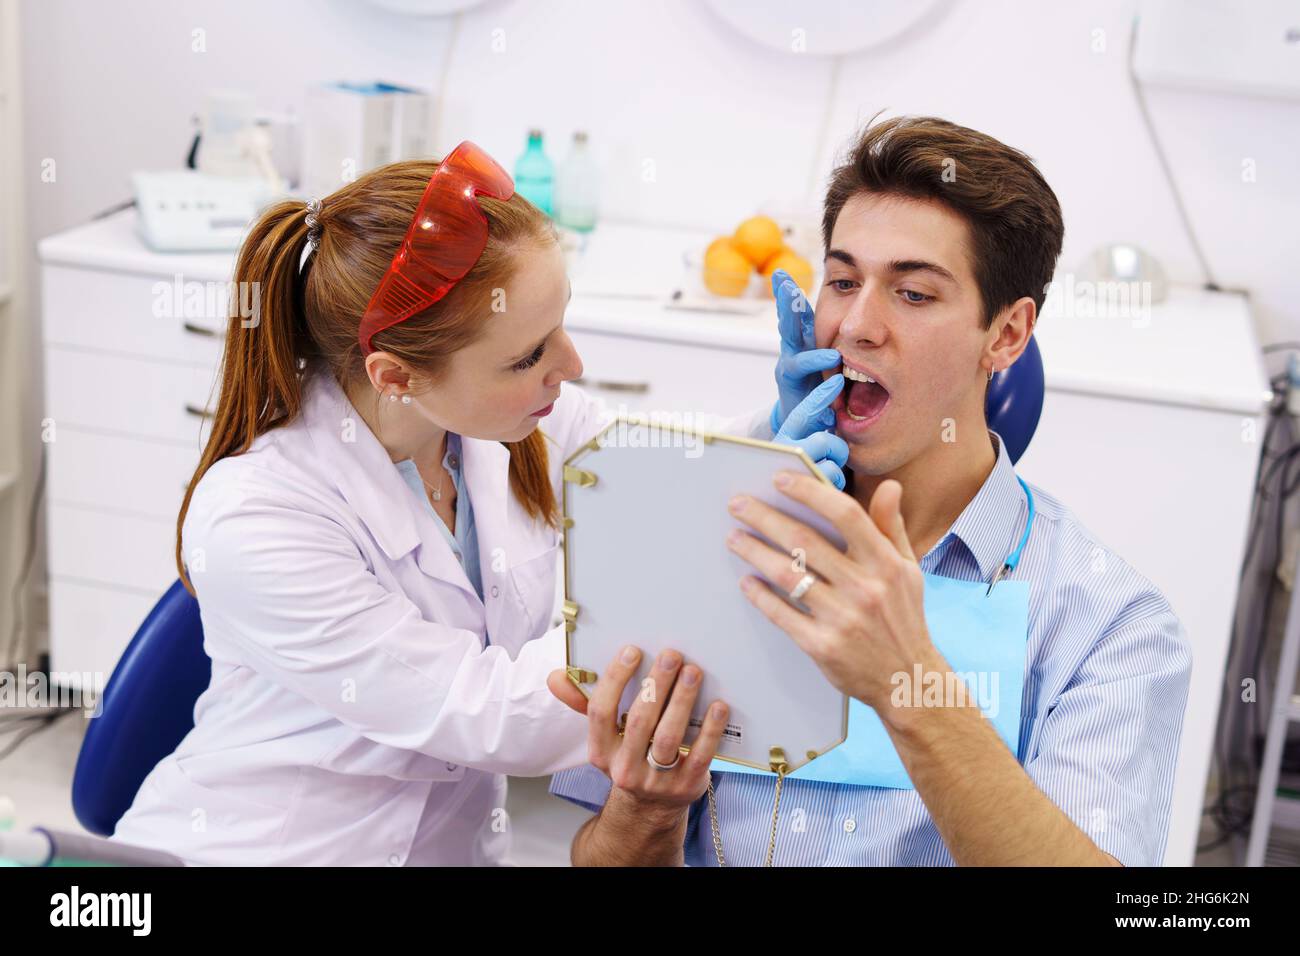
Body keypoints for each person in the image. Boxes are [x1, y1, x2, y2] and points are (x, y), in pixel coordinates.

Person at [110, 142, 839, 866]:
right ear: (395, 375)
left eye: (559, 326)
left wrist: (772, 432)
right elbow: (490, 714)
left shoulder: (508, 425)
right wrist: (702, 599)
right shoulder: (257, 515)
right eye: (527, 355)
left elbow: (649, 462)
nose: (571, 366)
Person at [548, 116, 1193, 867]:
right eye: (844, 280)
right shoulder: (716, 526)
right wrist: (645, 809)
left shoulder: (1110, 628)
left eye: (913, 293)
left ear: (1008, 336)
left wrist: (905, 680)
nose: (855, 325)